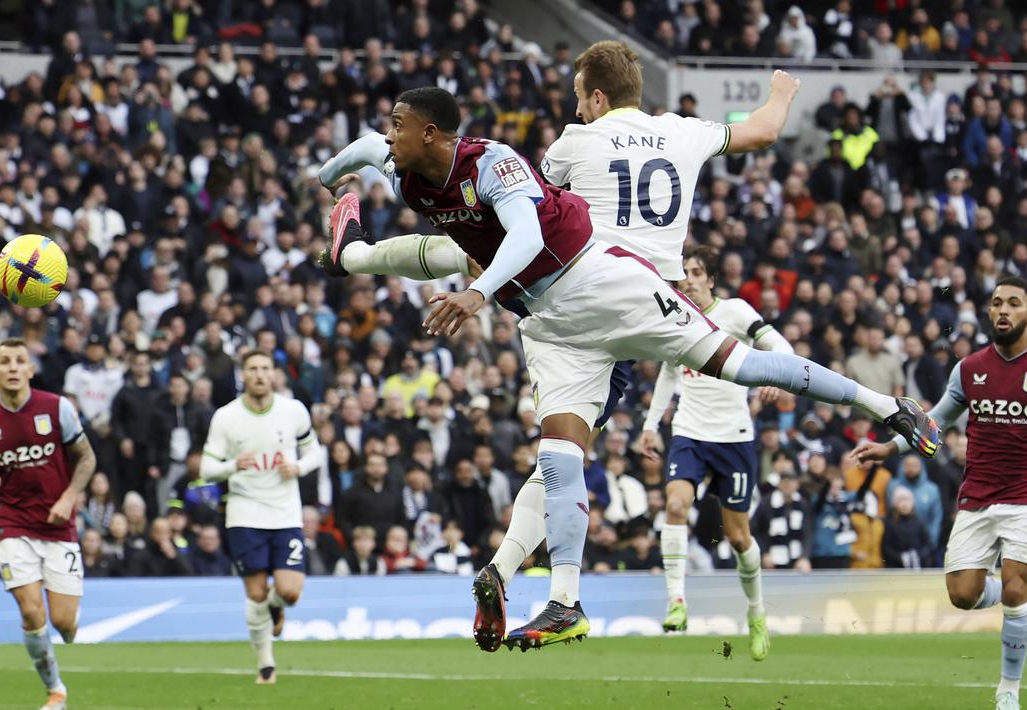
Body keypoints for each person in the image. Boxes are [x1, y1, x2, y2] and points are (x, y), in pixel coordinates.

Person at [318, 78, 941, 653]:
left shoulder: (499, 160)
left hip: (601, 281)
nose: (390, 132)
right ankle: (564, 602)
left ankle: (887, 406)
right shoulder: (411, 174)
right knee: (557, 456)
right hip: (552, 325)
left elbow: (528, 236)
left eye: (400, 123)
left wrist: (477, 293)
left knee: (744, 365)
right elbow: (370, 149)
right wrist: (329, 177)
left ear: (429, 131)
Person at [854, 277, 1027, 710]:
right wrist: (889, 446)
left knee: (1017, 588)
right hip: (976, 496)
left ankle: (1008, 690)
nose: (1004, 310)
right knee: (962, 594)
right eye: (998, 303)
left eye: (1014, 304)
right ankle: (1007, 593)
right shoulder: (968, 369)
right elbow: (935, 422)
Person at [640, 246, 792, 658]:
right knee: (675, 506)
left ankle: (757, 614)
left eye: (695, 272)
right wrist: (651, 425)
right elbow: (669, 374)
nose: (687, 278)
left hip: (734, 436)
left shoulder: (737, 313)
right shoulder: (674, 314)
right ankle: (676, 601)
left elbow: (781, 347)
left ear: (710, 280)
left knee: (740, 538)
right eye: (683, 271)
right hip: (689, 432)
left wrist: (778, 375)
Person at [0, 338, 97, 710]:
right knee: (30, 611)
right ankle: (55, 689)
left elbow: (87, 458)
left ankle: (63, 636)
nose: (12, 367)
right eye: (4, 361)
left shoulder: (58, 408)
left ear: (30, 370)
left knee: (65, 623)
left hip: (59, 527)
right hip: (12, 525)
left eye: (19, 361)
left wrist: (69, 497)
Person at [198, 349, 323, 684]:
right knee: (254, 592)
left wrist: (297, 466)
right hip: (245, 513)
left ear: (273, 374)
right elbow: (206, 469)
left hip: (285, 513)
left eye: (265, 368)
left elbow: (315, 452)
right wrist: (232, 465)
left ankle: (276, 605)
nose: (259, 374)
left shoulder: (293, 410)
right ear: (243, 375)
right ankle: (265, 663)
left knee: (291, 592)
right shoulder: (226, 417)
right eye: (252, 368)